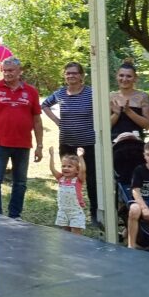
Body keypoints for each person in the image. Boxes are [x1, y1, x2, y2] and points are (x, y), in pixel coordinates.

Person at [41, 62, 100, 228]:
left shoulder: (91, 93)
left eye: (74, 73)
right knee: (67, 177)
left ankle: (94, 213)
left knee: (90, 178)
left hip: (88, 143)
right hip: (67, 143)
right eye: (68, 73)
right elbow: (44, 105)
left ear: (81, 75)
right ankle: (68, 211)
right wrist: (57, 121)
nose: (71, 76)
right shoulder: (60, 93)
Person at [0, 57, 43, 219]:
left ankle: (15, 215)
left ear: (19, 71)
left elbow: (37, 120)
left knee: (20, 182)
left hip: (23, 144)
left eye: (11, 70)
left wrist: (39, 145)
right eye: (5, 70)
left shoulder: (31, 92)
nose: (7, 74)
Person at [110, 59, 149, 142]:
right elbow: (105, 127)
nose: (124, 79)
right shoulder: (110, 97)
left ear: (135, 78)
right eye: (121, 75)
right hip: (114, 142)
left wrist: (129, 111)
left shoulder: (143, 97)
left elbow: (147, 125)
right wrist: (116, 114)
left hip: (136, 142)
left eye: (129, 76)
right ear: (116, 76)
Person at [48, 147, 87, 234]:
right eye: (63, 166)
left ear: (77, 170)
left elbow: (83, 170)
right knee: (65, 235)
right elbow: (52, 169)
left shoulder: (78, 180)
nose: (66, 168)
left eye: (70, 166)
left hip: (75, 212)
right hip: (63, 211)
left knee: (75, 236)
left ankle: (76, 248)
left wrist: (80, 157)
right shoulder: (61, 178)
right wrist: (51, 156)